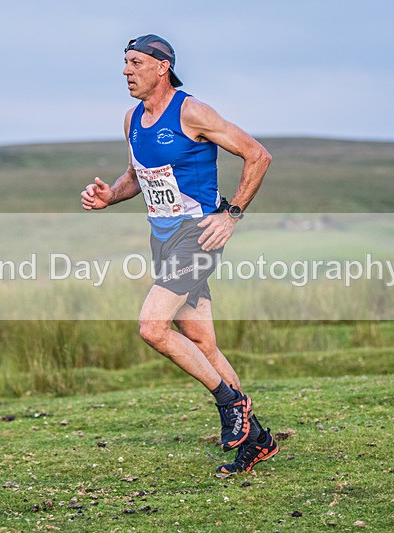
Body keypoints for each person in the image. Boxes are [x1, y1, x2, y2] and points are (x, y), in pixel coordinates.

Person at [81, 34, 275, 473]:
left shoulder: (192, 111)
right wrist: (110, 195)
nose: (126, 71)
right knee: (202, 340)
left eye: (135, 63)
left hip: (198, 236)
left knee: (152, 325)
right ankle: (258, 440)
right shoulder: (132, 119)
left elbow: (258, 155)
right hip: (162, 238)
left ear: (161, 67)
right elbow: (138, 175)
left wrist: (232, 215)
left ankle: (231, 404)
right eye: (125, 63)